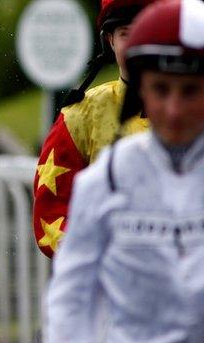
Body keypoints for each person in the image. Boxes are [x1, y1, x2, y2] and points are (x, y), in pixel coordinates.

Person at [46, 0, 204, 343]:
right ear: (142, 89)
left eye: (190, 90)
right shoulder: (103, 180)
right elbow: (71, 299)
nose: (174, 110)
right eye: (161, 89)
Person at [32, 0, 155, 258]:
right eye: (125, 34)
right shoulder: (80, 114)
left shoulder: (193, 108)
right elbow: (51, 212)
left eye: (144, 31)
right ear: (109, 40)